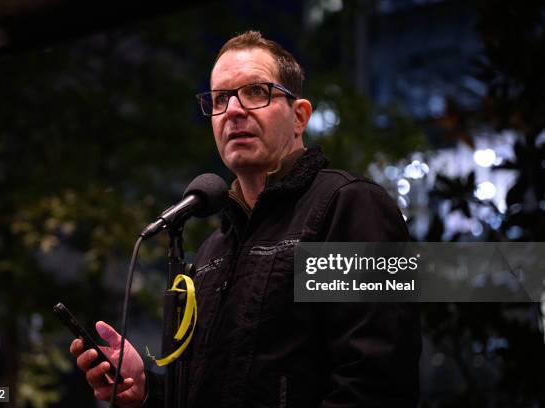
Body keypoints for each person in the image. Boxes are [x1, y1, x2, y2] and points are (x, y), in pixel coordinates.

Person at [70, 30, 421, 407]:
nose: (234, 110)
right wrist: (145, 393)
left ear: (299, 116)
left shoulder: (350, 206)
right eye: (220, 98)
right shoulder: (211, 252)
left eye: (256, 92)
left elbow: (375, 383)